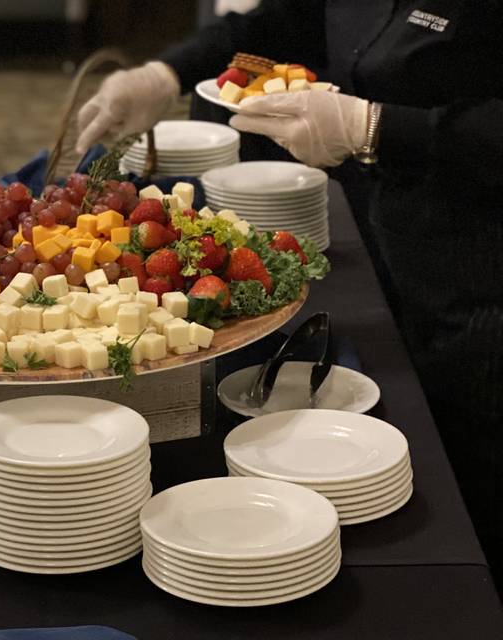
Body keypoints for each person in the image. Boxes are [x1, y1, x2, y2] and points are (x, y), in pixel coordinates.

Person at [76, 0, 503, 587]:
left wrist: (374, 127)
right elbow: (283, 23)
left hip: (483, 284)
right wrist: (167, 74)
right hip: (398, 246)